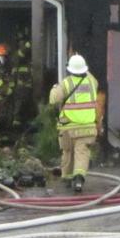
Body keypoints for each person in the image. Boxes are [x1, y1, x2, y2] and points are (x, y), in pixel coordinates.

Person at [48, 53, 103, 192]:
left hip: (69, 127)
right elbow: (92, 78)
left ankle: (67, 177)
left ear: (70, 70)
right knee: (82, 152)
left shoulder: (67, 83)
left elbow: (53, 99)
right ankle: (78, 178)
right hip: (88, 127)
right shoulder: (92, 82)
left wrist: (55, 87)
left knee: (67, 152)